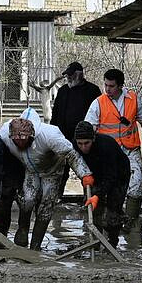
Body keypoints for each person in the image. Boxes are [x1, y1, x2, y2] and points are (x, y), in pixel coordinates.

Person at [84, 68, 142, 232]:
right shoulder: (98, 103)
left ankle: (129, 220)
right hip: (107, 153)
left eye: (111, 86)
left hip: (130, 148)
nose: (107, 89)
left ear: (120, 86)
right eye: (106, 85)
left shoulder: (133, 100)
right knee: (107, 185)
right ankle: (103, 220)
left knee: (138, 180)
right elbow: (88, 129)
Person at [2, 116, 76, 249]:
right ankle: (22, 233)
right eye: (16, 141)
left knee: (45, 206)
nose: (20, 144)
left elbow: (71, 154)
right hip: (31, 169)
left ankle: (36, 244)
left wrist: (85, 174)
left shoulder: (50, 135)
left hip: (52, 170)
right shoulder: (4, 134)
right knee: (28, 199)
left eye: (23, 140)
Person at [71, 121, 131, 245]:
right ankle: (97, 243)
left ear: (93, 139)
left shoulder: (106, 145)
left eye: (86, 143)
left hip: (119, 174)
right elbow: (74, 162)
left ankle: (113, 243)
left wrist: (98, 195)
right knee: (93, 210)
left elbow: (111, 176)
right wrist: (84, 176)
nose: (83, 147)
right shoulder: (74, 146)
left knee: (112, 211)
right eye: (80, 143)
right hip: (94, 174)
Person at [49, 62, 101, 204]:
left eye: (71, 75)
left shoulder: (93, 90)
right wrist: (53, 134)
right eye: (67, 75)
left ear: (79, 74)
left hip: (84, 140)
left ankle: (89, 198)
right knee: (61, 170)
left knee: (88, 169)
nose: (68, 78)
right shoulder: (63, 91)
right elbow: (55, 114)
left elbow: (98, 116)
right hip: (63, 138)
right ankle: (56, 198)